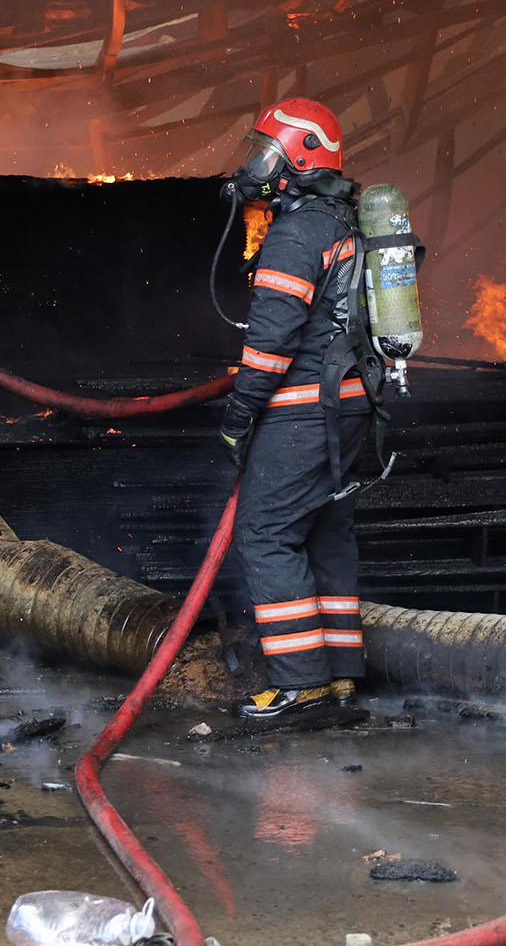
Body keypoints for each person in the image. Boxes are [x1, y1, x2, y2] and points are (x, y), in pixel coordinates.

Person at [217, 97, 373, 721]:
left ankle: (300, 682)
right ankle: (339, 675)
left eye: (267, 152)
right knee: (327, 533)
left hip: (304, 411)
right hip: (351, 409)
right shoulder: (344, 224)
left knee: (266, 534)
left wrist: (238, 416)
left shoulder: (296, 232)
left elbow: (271, 343)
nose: (255, 165)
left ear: (302, 158)